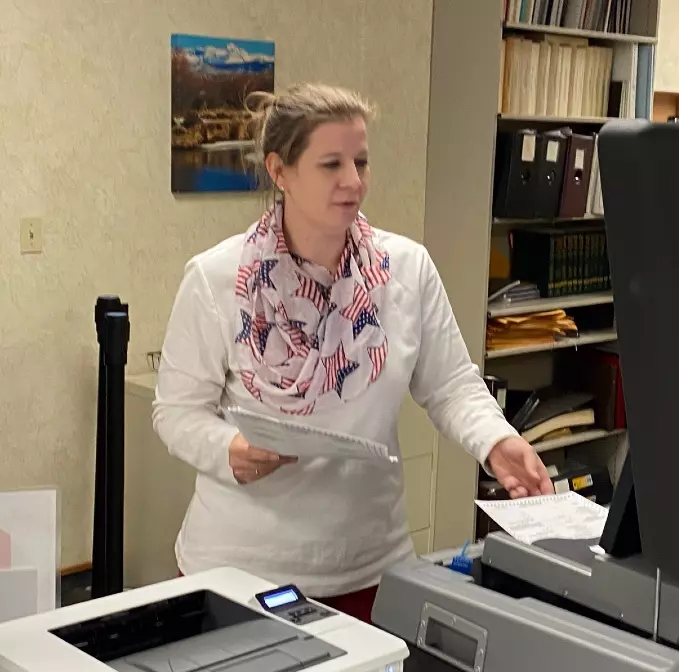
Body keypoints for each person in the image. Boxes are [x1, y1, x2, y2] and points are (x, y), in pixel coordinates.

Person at [152, 82, 554, 623]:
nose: (353, 181)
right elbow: (176, 413)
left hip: (369, 569)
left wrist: (496, 440)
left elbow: (452, 385)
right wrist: (230, 449)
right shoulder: (215, 279)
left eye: (360, 162)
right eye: (331, 164)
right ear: (279, 171)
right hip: (238, 573)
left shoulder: (406, 270)